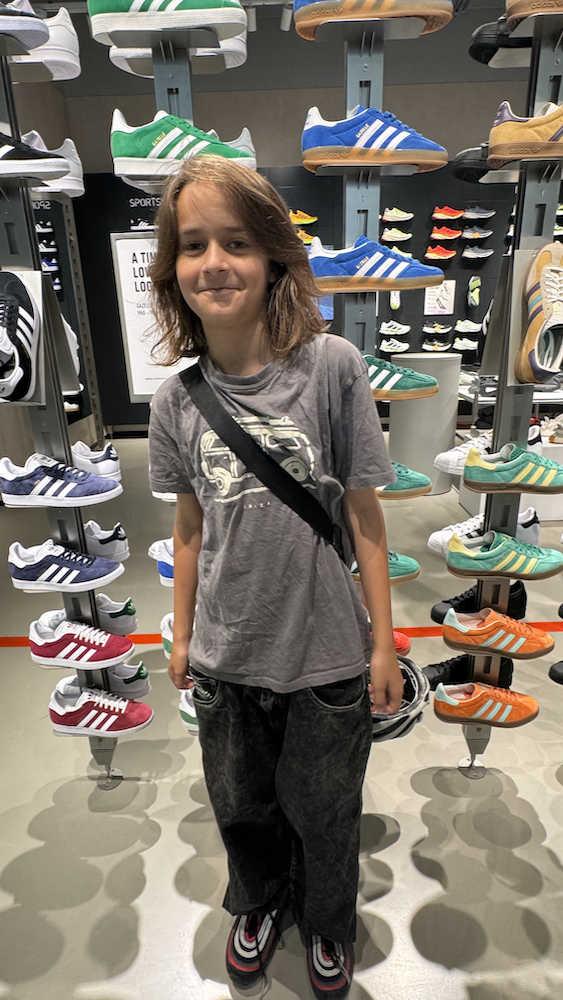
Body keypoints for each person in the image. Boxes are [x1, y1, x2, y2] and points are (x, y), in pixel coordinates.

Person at [148, 154, 403, 1000]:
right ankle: (256, 901)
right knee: (241, 803)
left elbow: (364, 517)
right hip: (227, 654)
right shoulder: (175, 402)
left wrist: (382, 644)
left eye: (236, 242)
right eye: (193, 245)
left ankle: (326, 919)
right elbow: (190, 530)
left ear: (271, 259)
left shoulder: (331, 367)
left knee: (325, 809)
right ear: (172, 269)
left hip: (325, 650)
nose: (214, 263)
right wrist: (183, 636)